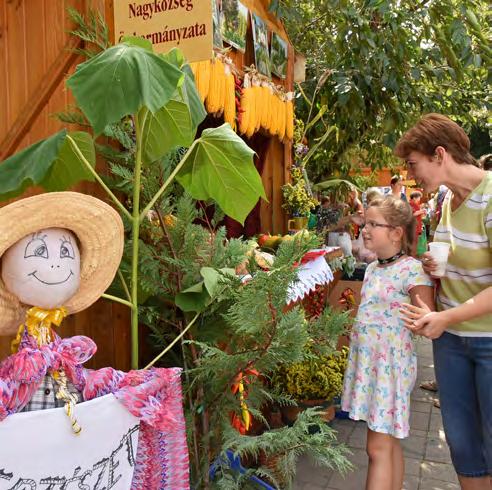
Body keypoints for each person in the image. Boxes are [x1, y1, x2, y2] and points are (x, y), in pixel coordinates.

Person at [395, 113, 492, 490]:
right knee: (463, 445)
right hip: (451, 341)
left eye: (413, 164)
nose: (411, 174)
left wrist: (447, 317)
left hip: (485, 340)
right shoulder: (449, 201)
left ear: (439, 154)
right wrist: (435, 267)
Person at [341, 196, 434, 490]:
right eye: (364, 223)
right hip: (370, 368)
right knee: (389, 444)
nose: (364, 229)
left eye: (373, 224)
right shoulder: (372, 269)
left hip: (389, 370)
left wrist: (425, 315)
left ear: (395, 232)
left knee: (376, 449)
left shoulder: (411, 270)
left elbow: (426, 316)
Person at [409, 191, 427, 256]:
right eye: (419, 197)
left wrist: (421, 211)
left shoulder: (413, 204)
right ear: (414, 198)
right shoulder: (411, 204)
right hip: (414, 226)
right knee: (414, 242)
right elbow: (413, 214)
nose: (419, 199)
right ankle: (412, 256)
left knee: (415, 241)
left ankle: (413, 255)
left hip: (416, 226)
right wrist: (421, 211)